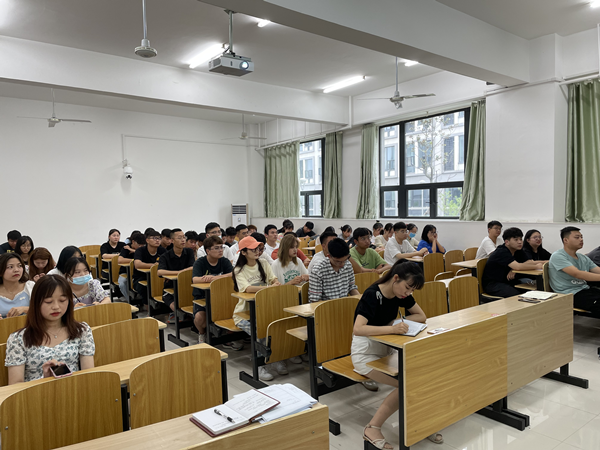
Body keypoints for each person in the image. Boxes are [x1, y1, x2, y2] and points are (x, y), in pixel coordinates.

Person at [352, 260, 443, 448]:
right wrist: (391, 328)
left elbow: (421, 316)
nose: (408, 293)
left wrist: (395, 323)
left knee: (420, 377)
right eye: (407, 288)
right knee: (406, 385)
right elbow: (358, 329)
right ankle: (372, 428)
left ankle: (421, 423)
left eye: (412, 290)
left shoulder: (400, 294)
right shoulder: (372, 294)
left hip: (387, 350)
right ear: (395, 278)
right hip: (365, 354)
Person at [5, 275, 95, 384]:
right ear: (36, 303)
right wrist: (45, 380)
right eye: (48, 301)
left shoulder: (81, 331)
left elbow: (88, 375)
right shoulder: (18, 339)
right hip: (35, 393)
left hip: (75, 390)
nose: (56, 307)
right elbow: (15, 385)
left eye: (62, 300)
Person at [232, 236, 281, 381]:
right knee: (259, 333)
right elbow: (247, 288)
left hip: (263, 309)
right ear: (243, 252)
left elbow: (273, 278)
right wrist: (269, 287)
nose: (257, 251)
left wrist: (275, 282)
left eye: (258, 248)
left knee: (275, 328)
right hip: (243, 314)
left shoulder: (263, 263)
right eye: (253, 249)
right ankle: (260, 366)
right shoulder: (239, 270)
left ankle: (274, 358)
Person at [192, 235, 234, 344]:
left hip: (221, 296)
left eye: (221, 247)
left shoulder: (224, 261)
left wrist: (214, 278)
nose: (220, 250)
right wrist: (219, 278)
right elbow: (195, 279)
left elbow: (232, 274)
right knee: (199, 318)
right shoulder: (200, 262)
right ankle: (202, 333)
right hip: (202, 296)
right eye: (216, 248)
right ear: (208, 251)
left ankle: (227, 337)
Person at [550, 227, 600, 316]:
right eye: (577, 237)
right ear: (565, 240)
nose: (581, 239)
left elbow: (597, 270)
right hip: (569, 294)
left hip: (585, 289)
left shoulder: (583, 257)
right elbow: (577, 274)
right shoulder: (558, 256)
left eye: (581, 237)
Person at [482, 227, 543, 298]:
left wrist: (546, 262)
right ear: (507, 242)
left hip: (508, 281)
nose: (520, 242)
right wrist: (537, 266)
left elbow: (529, 262)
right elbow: (518, 267)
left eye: (520, 239)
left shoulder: (518, 250)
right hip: (493, 284)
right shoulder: (501, 251)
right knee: (517, 295)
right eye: (516, 240)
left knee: (532, 290)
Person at [157, 229, 195, 320]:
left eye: (184, 237)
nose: (183, 240)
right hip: (171, 288)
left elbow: (193, 268)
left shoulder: (189, 252)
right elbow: (160, 272)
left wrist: (177, 273)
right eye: (179, 238)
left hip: (187, 286)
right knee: (173, 303)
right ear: (172, 240)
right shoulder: (165, 256)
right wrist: (181, 273)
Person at [308, 238, 359, 303]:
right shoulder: (318, 270)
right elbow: (315, 300)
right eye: (338, 261)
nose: (342, 264)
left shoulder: (348, 265)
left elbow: (352, 288)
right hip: (325, 306)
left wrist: (361, 301)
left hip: (343, 305)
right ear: (329, 256)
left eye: (345, 260)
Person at [133, 230, 166, 304]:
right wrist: (153, 266)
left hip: (159, 277)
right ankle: (148, 308)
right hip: (141, 278)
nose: (157, 240)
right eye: (154, 238)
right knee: (145, 288)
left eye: (159, 238)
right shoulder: (140, 250)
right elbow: (137, 264)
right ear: (147, 240)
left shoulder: (162, 250)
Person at [0, 253, 35, 318]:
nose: (16, 270)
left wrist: (25, 309)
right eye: (10, 267)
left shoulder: (30, 286)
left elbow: (43, 309)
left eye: (19, 266)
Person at [117, 233, 145, 303]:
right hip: (125, 272)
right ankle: (130, 301)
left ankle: (142, 301)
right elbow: (120, 260)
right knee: (122, 283)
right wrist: (135, 260)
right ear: (133, 242)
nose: (140, 247)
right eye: (139, 245)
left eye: (142, 245)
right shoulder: (126, 247)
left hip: (140, 273)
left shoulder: (144, 249)